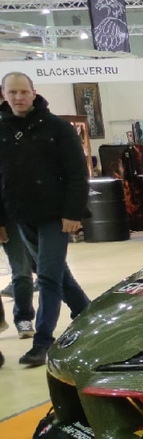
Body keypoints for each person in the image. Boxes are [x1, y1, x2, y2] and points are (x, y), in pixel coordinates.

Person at [0, 72, 92, 367]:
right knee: (56, 272)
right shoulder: (2, 129)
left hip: (56, 216)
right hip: (21, 216)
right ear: (4, 94)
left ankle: (42, 341)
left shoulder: (58, 128)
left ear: (33, 92)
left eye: (23, 91)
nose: (18, 97)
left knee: (48, 276)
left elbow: (77, 173)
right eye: (12, 92)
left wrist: (73, 213)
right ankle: (86, 311)